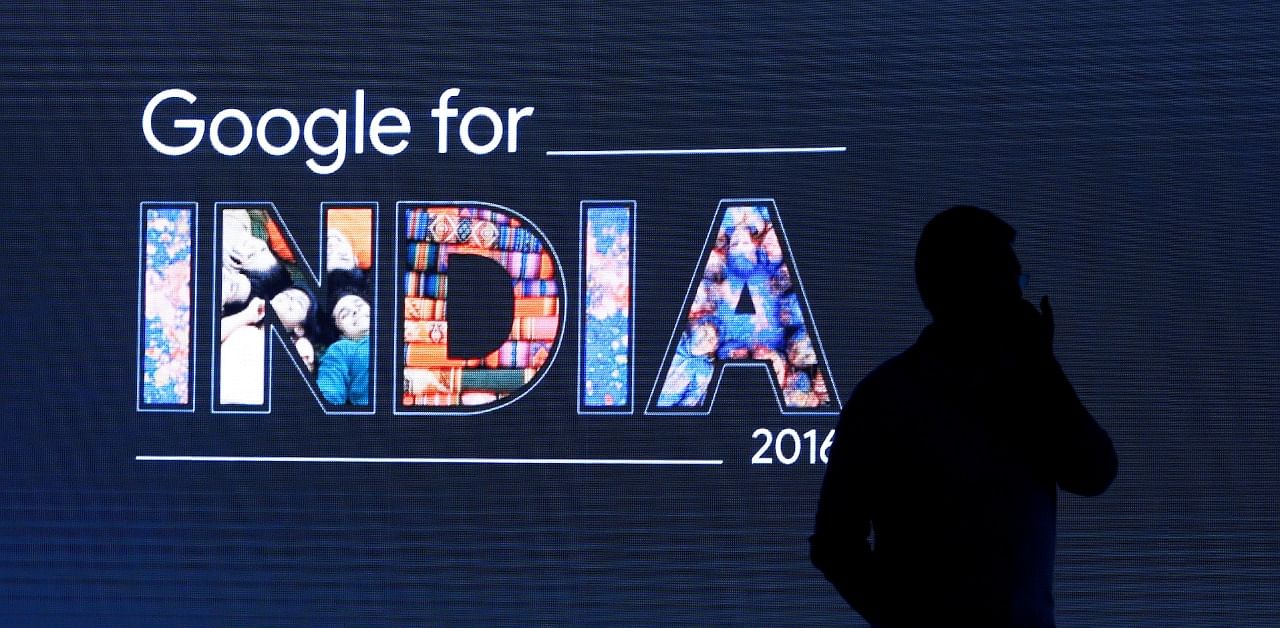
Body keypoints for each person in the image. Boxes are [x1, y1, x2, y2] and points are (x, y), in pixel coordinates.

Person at [811, 206, 1117, 627]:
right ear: (967, 285)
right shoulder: (885, 401)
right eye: (1008, 280)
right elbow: (835, 544)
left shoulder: (1028, 388)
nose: (1019, 296)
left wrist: (1044, 369)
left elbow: (1094, 472)